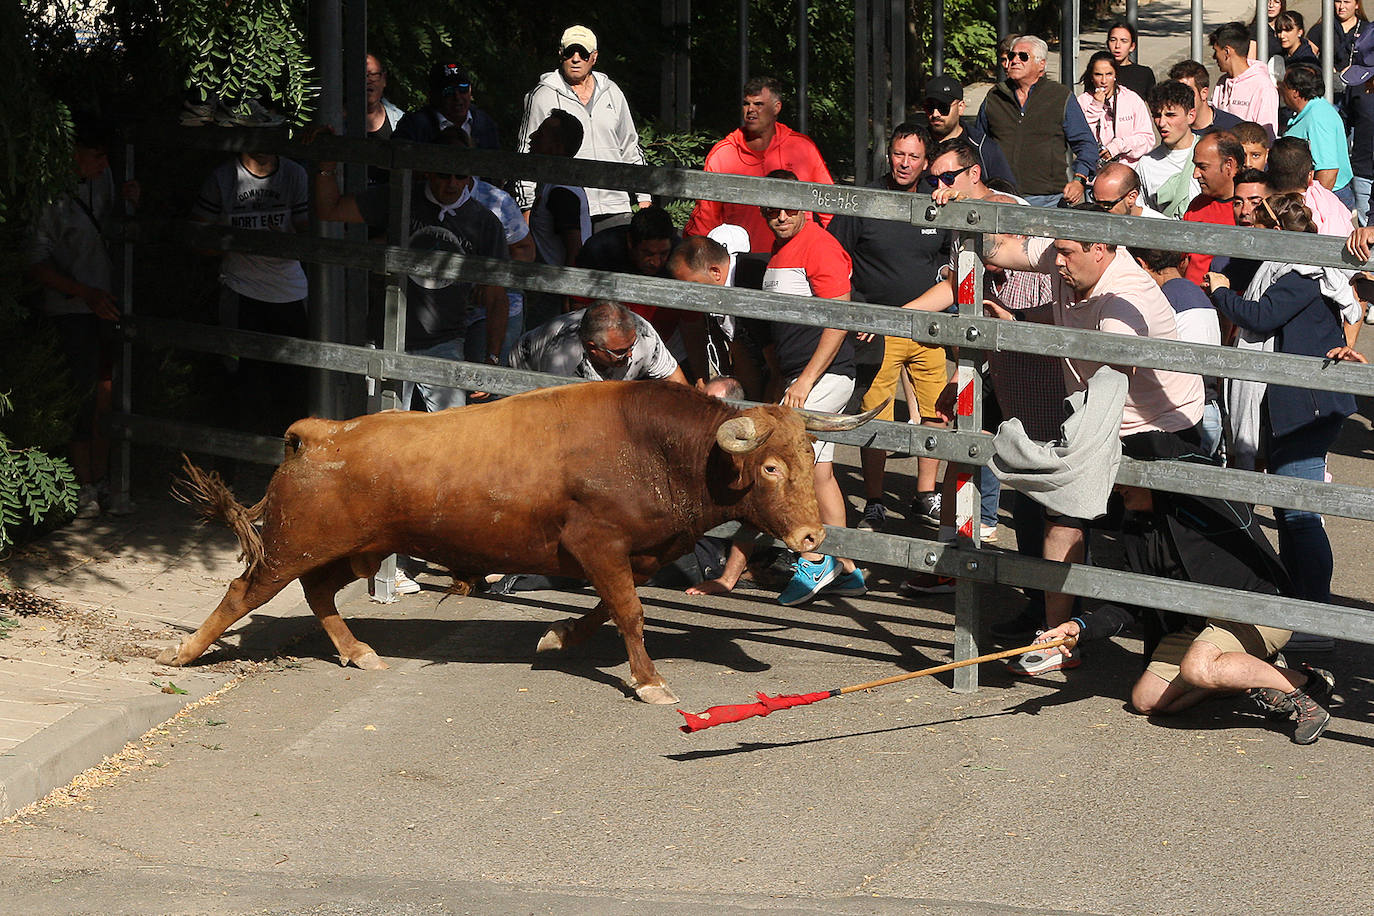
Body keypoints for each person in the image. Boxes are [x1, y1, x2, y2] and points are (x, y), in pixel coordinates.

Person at [978, 203, 1206, 674]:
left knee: (1167, 540)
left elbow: (1109, 386)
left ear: (1100, 249)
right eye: (1056, 252)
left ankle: (1203, 639)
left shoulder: (1126, 303)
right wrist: (962, 212)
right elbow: (1000, 248)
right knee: (1062, 513)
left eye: (1066, 254)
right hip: (1097, 411)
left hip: (1159, 427)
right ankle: (1058, 642)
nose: (1056, 263)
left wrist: (1071, 460)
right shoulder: (1069, 253)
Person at [1206, 193, 1360, 653]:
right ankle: (1300, 607)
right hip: (1292, 406)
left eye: (1258, 223)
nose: (1251, 230)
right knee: (1289, 513)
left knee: (1299, 515)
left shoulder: (1300, 273)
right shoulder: (1285, 267)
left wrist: (1219, 290)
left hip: (1305, 409)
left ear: (1277, 231)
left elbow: (1260, 315)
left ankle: (1313, 616)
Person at [313, 127, 508, 412]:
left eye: (461, 176)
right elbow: (330, 210)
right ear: (428, 171)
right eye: (444, 174)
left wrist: (492, 359)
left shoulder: (485, 223)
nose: (452, 183)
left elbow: (497, 297)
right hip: (387, 336)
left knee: (446, 438)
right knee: (381, 435)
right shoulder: (400, 197)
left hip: (445, 342)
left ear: (470, 178)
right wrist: (325, 168)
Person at [825, 123, 950, 533]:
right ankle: (875, 501)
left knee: (937, 413)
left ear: (926, 162)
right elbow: (833, 261)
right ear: (888, 154)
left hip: (928, 329)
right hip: (876, 329)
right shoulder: (864, 201)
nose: (905, 163)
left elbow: (956, 253)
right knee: (874, 413)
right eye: (899, 154)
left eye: (914, 157)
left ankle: (925, 495)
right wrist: (858, 312)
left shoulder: (938, 203)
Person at [754, 169, 867, 606]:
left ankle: (815, 560)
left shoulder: (821, 245)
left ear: (804, 204)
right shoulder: (783, 247)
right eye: (771, 208)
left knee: (796, 466)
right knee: (819, 469)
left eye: (788, 206)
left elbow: (840, 316)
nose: (779, 215)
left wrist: (805, 380)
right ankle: (848, 568)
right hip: (800, 375)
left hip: (825, 374)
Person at [27, 113, 140, 519]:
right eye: (95, 156)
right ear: (72, 154)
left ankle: (104, 479)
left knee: (108, 394)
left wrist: (129, 201)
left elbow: (110, 225)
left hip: (107, 303)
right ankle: (84, 487)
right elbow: (36, 264)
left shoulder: (103, 180)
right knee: (83, 396)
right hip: (71, 310)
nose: (103, 164)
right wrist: (84, 294)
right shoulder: (48, 197)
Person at [192, 148, 310, 437]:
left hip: (290, 292)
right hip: (240, 289)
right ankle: (230, 469)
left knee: (293, 385)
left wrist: (282, 242)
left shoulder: (295, 173)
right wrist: (236, 243)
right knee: (236, 382)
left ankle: (290, 463)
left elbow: (311, 235)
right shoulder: (222, 178)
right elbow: (196, 237)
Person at [684, 76, 834, 252]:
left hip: (796, 257)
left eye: (759, 104)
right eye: (746, 104)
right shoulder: (723, 154)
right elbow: (706, 217)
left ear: (776, 107)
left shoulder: (802, 149)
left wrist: (832, 252)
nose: (751, 110)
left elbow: (829, 208)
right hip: (740, 259)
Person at [514, 25, 645, 227]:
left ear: (594, 57)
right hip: (563, 210)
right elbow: (526, 153)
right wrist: (528, 208)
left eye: (583, 53)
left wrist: (644, 198)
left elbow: (630, 146)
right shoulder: (542, 95)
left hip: (615, 207)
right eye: (569, 52)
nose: (576, 58)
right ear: (560, 54)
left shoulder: (612, 91)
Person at [975, 35, 1099, 207]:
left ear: (1041, 64)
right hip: (1001, 198)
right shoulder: (994, 97)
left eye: (1023, 56)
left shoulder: (1060, 97)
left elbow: (1086, 144)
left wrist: (1079, 179)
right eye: (1012, 56)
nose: (1015, 61)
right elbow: (977, 144)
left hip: (1048, 200)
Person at [1133, 248, 1224, 456]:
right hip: (1209, 410)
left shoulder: (1161, 300)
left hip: (1186, 415)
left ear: (1141, 264)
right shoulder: (1198, 295)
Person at [507, 300, 687, 384]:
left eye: (632, 345)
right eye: (621, 351)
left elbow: (673, 376)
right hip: (529, 380)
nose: (631, 354)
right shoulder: (562, 358)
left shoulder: (643, 335)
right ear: (593, 348)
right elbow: (554, 414)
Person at [1280, 65, 1357, 208]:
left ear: (1295, 92)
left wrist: (1313, 208)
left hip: (1327, 197)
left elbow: (1328, 171)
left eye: (1283, 85)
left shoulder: (1318, 117)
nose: (1280, 89)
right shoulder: (1312, 113)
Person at [920, 74, 1014, 187]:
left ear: (961, 107)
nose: (935, 114)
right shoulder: (917, 144)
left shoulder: (983, 148)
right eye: (929, 107)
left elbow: (1007, 194)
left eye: (943, 107)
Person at [1134, 80, 1202, 218]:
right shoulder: (1146, 164)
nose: (1162, 123)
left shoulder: (1213, 154)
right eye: (1157, 115)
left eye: (1171, 115)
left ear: (1191, 115)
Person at [393, 62, 500, 150]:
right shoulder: (414, 125)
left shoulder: (485, 123)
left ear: (470, 90)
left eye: (463, 88)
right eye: (448, 91)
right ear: (433, 95)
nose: (457, 97)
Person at [1182, 131, 1242, 284]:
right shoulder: (1197, 205)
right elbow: (1181, 261)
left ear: (1229, 164)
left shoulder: (1252, 210)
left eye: (1203, 167)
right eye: (1195, 166)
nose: (1195, 174)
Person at [1076, 51, 1155, 166]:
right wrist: (1095, 107)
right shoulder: (1083, 101)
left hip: (1127, 173)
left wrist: (1119, 145)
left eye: (1109, 74)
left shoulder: (1132, 99)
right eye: (1098, 74)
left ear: (1115, 75)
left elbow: (1147, 139)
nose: (1103, 81)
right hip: (1095, 174)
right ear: (1091, 77)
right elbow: (1080, 139)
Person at [1209, 22, 1281, 139]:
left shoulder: (1263, 87)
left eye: (1215, 50)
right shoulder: (1221, 83)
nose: (1213, 57)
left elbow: (1267, 137)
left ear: (1227, 51)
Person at [1339, 22, 1374, 224]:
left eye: (1371, 78)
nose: (1367, 89)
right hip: (1363, 170)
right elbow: (1346, 118)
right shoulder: (1359, 90)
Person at [1167, 60, 1244, 135]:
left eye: (1187, 92)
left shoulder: (1234, 128)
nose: (1180, 98)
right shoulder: (1173, 130)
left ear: (1204, 93)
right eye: (1175, 93)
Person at [1092, 162, 1165, 218]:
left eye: (1107, 205)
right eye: (1095, 201)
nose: (1099, 211)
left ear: (1132, 197)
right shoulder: (1089, 222)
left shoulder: (1163, 228)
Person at [1105, 21, 1156, 100]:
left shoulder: (1143, 73)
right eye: (1113, 40)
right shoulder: (1099, 71)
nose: (1117, 46)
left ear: (1132, 46)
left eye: (1124, 41)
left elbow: (1153, 105)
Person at [364, 54, 404, 139]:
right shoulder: (337, 120)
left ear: (384, 80)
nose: (368, 81)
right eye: (362, 76)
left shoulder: (400, 120)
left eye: (373, 75)